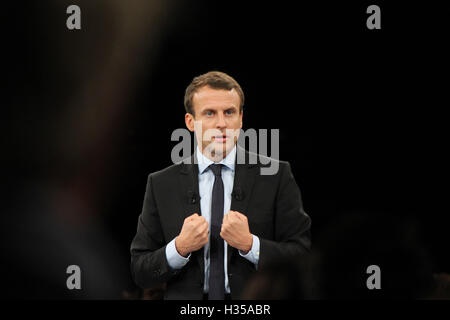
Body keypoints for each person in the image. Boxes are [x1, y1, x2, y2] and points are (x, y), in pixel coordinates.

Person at [130, 71, 311, 300]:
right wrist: (179, 248)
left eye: (229, 112)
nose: (221, 123)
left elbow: (302, 257)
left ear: (241, 118)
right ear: (190, 122)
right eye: (209, 113)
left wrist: (250, 244)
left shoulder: (276, 175)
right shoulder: (160, 184)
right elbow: (140, 270)